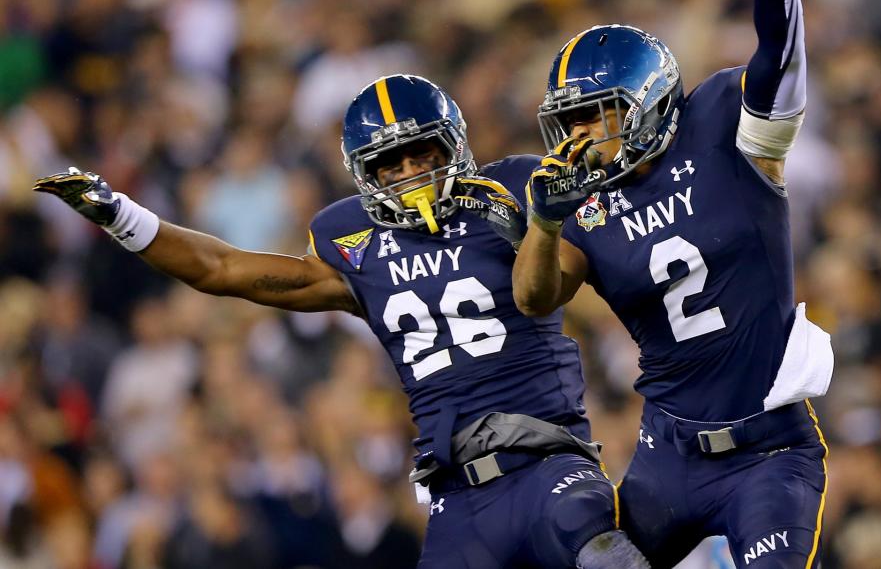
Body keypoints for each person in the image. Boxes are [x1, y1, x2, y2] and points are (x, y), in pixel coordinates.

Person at [34, 74, 649, 569]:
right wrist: (122, 217)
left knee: (603, 551)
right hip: (461, 500)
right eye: (392, 162)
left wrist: (535, 224)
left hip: (550, 463)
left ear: (453, 145)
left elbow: (595, 267)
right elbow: (220, 269)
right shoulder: (351, 244)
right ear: (366, 173)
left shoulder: (514, 189)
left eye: (423, 152)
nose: (412, 172)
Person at [513, 0, 834, 568]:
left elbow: (780, 58)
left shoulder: (722, 127)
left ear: (648, 102)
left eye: (597, 116)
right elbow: (536, 296)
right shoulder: (582, 202)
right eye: (570, 121)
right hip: (669, 451)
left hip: (769, 449)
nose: (582, 137)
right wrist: (543, 222)